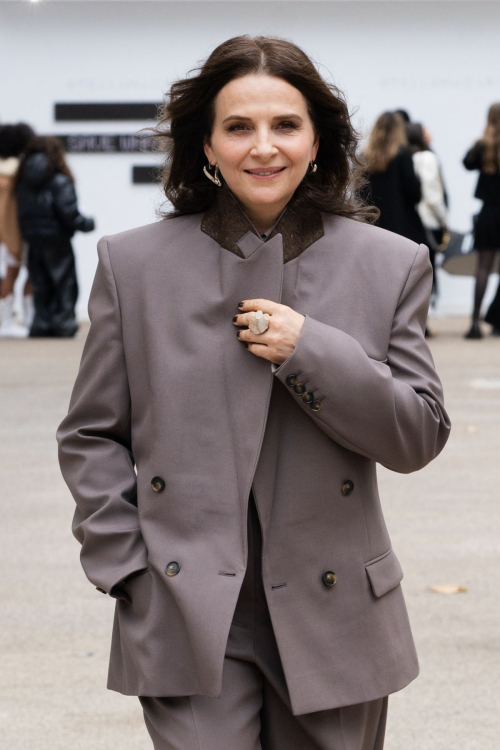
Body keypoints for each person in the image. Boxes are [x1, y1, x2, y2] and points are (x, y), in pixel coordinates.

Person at [56, 35, 451, 750]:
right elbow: (91, 435)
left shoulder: (390, 264)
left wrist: (313, 350)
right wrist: (127, 570)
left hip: (337, 614)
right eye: (238, 127)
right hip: (186, 605)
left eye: (285, 125)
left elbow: (418, 434)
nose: (262, 147)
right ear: (205, 145)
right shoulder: (134, 265)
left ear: (318, 141)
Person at [15, 135, 94, 337]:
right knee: (64, 283)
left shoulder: (22, 180)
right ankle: (63, 324)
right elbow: (69, 212)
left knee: (40, 283)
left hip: (33, 239)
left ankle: (41, 325)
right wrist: (87, 223)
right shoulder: (59, 180)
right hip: (58, 240)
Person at [463, 102, 500, 339]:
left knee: (483, 268)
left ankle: (475, 323)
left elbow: (466, 163)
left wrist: (484, 138)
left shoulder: (483, 146)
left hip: (488, 214)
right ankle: (497, 323)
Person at [362, 111, 427, 246]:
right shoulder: (403, 154)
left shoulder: (364, 157)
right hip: (402, 227)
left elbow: (360, 195)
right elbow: (414, 193)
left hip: (372, 227)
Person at [406, 122, 448, 329]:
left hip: (410, 222)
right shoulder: (428, 158)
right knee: (428, 272)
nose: (430, 133)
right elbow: (432, 193)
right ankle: (424, 321)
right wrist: (444, 219)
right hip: (429, 221)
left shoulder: (405, 157)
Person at [0, 122, 35, 337]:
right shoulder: (13, 173)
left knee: (13, 275)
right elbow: (7, 212)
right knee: (17, 275)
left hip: (10, 234)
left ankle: (11, 322)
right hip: (15, 232)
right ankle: (14, 323)